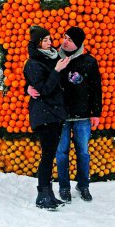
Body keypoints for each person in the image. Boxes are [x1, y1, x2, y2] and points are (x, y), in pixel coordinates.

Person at [28, 26, 102, 203]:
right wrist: (28, 88)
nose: (64, 41)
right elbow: (40, 79)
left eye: (69, 39)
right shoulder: (53, 58)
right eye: (64, 37)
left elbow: (96, 87)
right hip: (59, 115)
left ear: (78, 44)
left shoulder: (89, 61)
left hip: (83, 115)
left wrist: (96, 112)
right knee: (61, 152)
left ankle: (83, 185)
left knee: (83, 153)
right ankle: (64, 187)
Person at [23, 26, 70, 211]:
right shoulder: (33, 63)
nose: (49, 42)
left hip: (56, 113)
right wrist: (57, 70)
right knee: (47, 156)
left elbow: (57, 83)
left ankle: (48, 193)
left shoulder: (52, 58)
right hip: (44, 115)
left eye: (50, 39)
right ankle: (42, 194)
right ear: (37, 43)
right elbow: (44, 90)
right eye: (45, 40)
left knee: (49, 156)